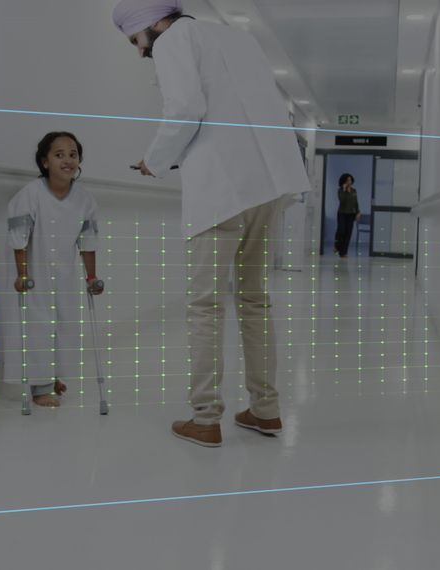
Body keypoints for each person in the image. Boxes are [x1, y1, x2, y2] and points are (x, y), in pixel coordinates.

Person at [114, 0, 311, 446]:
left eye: (136, 40)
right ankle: (266, 409)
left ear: (153, 23)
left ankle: (205, 417)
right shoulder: (239, 39)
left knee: (204, 305)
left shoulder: (174, 40)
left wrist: (153, 161)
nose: (140, 50)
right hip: (268, 185)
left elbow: (186, 107)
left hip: (223, 191)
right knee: (255, 301)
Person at [7, 132, 103, 409]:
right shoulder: (31, 194)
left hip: (65, 272)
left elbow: (88, 242)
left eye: (73, 154)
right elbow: (19, 238)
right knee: (38, 325)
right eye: (59, 155)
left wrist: (91, 277)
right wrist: (22, 274)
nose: (67, 160)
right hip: (34, 270)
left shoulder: (85, 199)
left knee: (65, 323)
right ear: (45, 161)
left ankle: (53, 376)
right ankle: (40, 386)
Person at [334, 173, 361, 258]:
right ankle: (337, 246)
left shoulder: (354, 191)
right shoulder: (340, 190)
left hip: (351, 214)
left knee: (348, 233)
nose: (349, 182)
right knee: (341, 230)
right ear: (344, 181)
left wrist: (358, 212)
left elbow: (355, 203)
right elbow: (341, 200)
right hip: (342, 213)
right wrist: (344, 190)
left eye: (350, 180)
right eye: (347, 180)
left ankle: (343, 253)